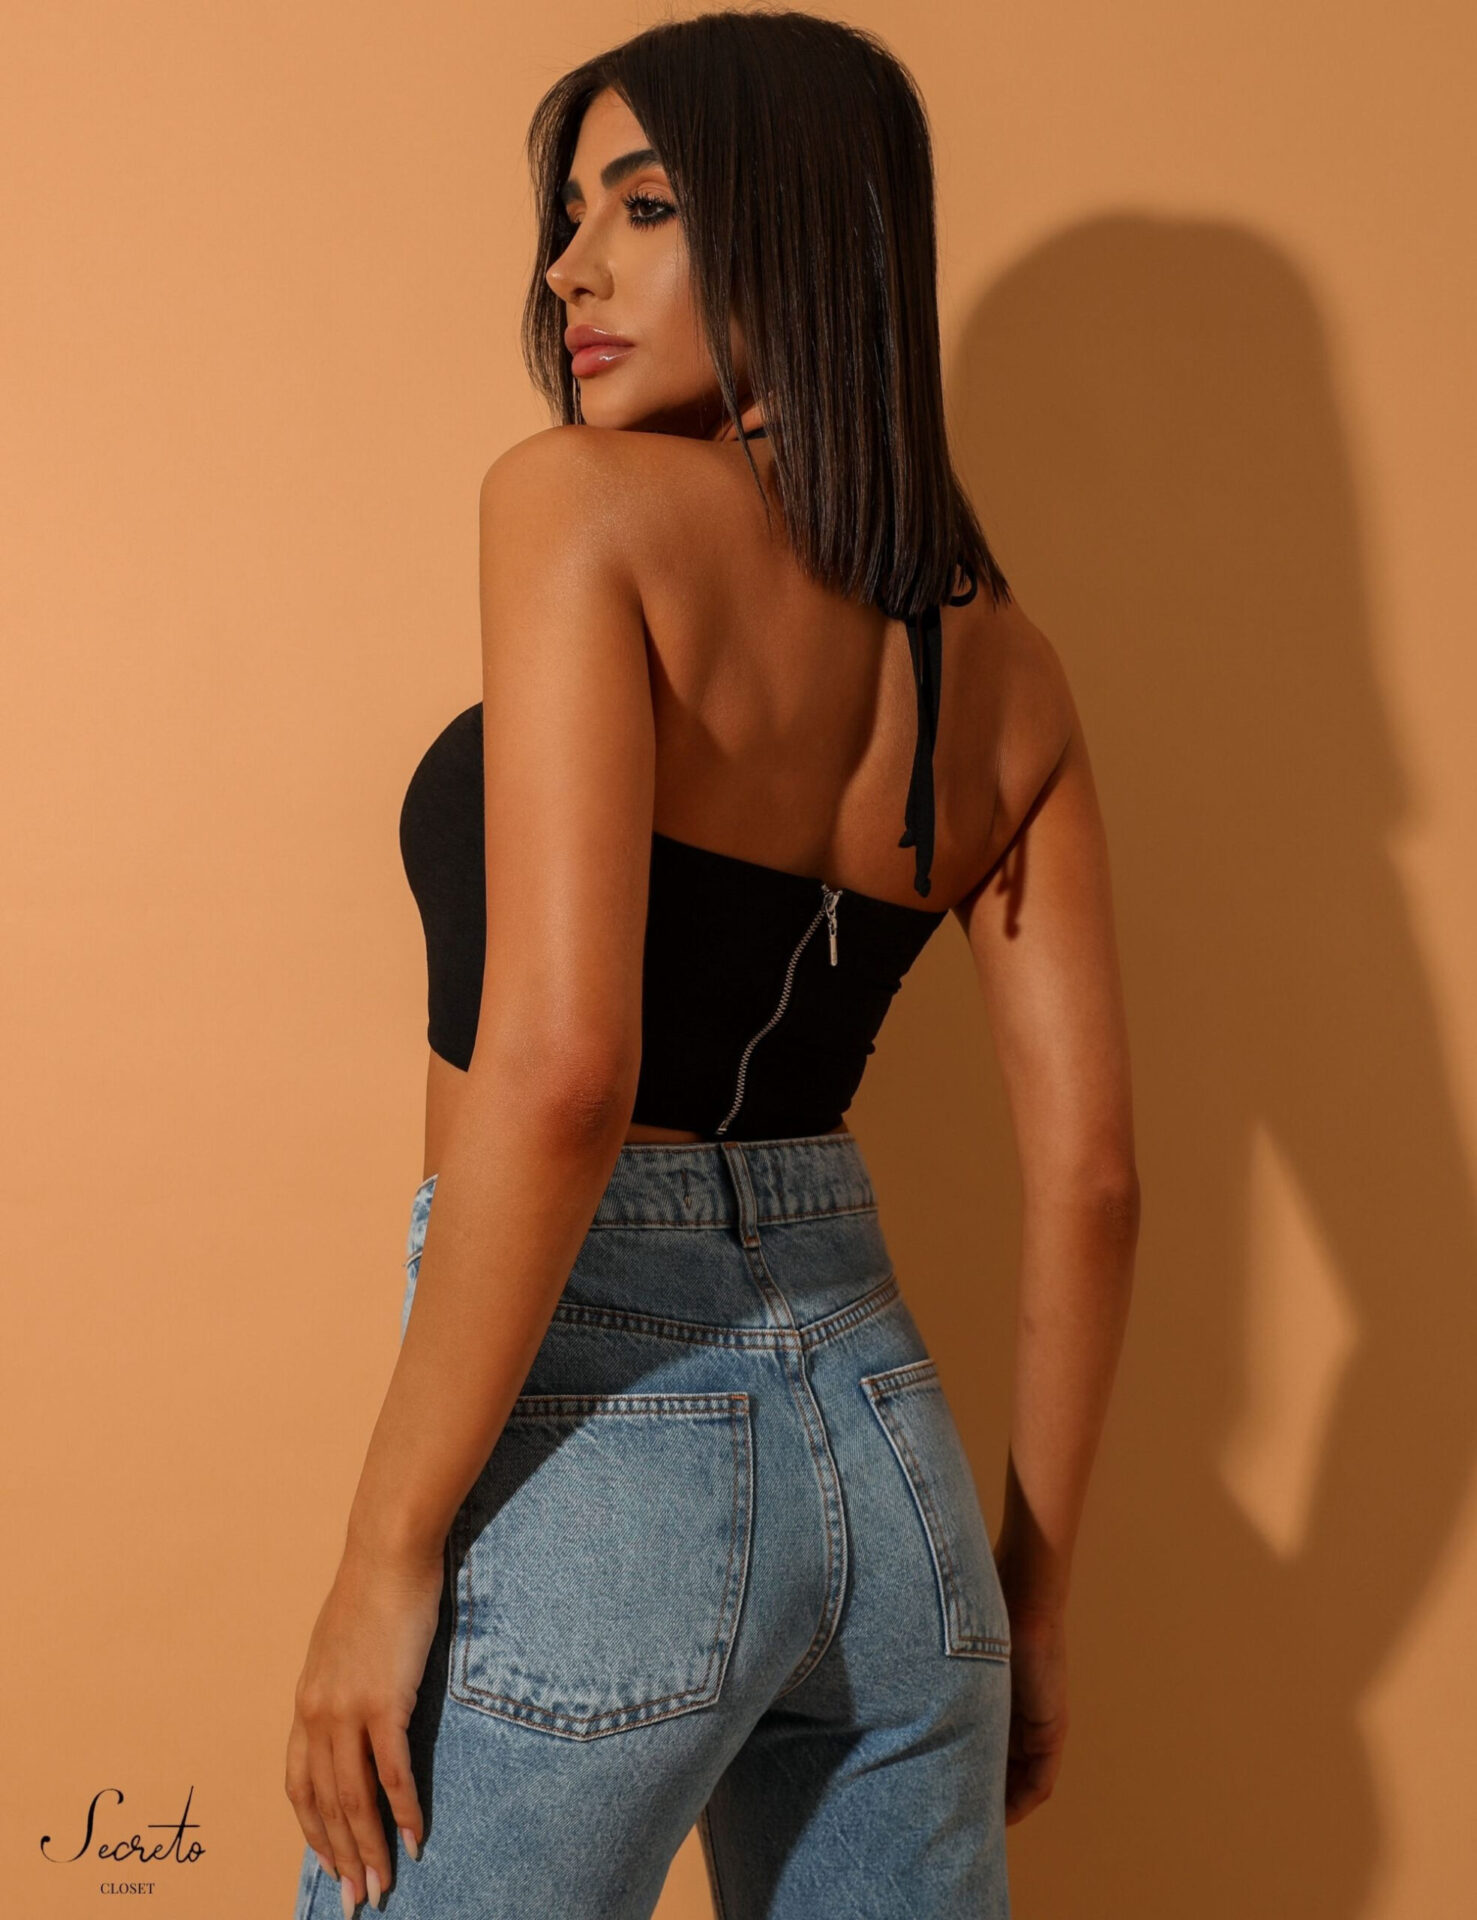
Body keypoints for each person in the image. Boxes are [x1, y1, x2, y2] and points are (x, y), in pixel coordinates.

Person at [284, 11, 1138, 1918]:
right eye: (568, 215)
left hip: (600, 1428)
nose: (568, 270)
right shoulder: (1010, 671)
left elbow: (567, 1073)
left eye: (645, 207)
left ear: (804, 232)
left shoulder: (573, 506)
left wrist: (383, 1554)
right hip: (898, 1471)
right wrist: (1031, 1597)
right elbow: (1091, 1182)